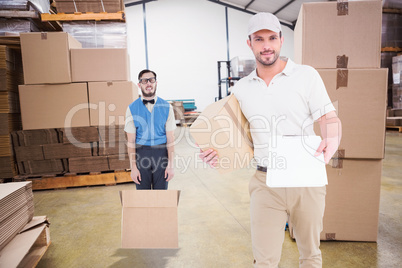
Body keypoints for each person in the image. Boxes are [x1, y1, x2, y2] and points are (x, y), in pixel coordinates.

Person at [200, 13, 342, 267]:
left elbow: (329, 118)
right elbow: (238, 138)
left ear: (281, 40)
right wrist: (216, 152)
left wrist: (331, 140)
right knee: (264, 261)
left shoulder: (306, 75)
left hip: (305, 177)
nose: (266, 45)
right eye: (259, 39)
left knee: (310, 254)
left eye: (272, 38)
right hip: (265, 182)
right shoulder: (241, 88)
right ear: (250, 43)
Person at [124, 69, 176, 190]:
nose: (148, 83)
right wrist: (133, 168)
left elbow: (170, 138)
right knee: (143, 197)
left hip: (161, 154)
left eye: (151, 80)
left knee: (161, 196)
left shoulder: (167, 107)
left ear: (156, 83)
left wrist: (171, 165)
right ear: (139, 84)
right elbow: (131, 141)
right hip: (141, 154)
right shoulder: (131, 108)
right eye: (144, 81)